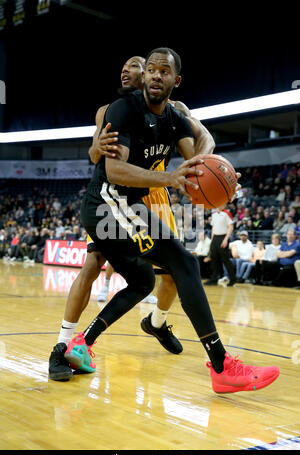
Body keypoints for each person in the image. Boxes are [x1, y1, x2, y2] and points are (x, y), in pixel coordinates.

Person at [62, 47, 279, 394]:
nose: (156, 76)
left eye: (164, 72)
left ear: (175, 81)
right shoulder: (123, 110)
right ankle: (222, 366)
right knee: (182, 262)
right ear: (144, 76)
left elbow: (197, 156)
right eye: (151, 70)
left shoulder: (175, 118)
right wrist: (171, 178)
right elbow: (114, 170)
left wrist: (219, 175)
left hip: (130, 205)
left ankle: (81, 344)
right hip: (106, 203)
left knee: (145, 280)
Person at [49, 54, 216, 380]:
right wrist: (100, 144)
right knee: (92, 264)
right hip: (116, 192)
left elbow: (202, 139)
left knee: (173, 271)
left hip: (157, 194)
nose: (129, 74)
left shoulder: (175, 110)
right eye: (125, 70)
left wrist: (203, 165)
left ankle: (155, 322)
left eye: (137, 69)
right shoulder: (111, 111)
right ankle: (63, 344)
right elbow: (94, 155)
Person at [204, 205, 236, 286]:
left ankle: (232, 279)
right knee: (213, 259)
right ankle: (214, 279)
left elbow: (231, 227)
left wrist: (226, 239)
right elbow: (213, 228)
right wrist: (212, 240)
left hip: (223, 237)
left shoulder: (227, 213)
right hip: (215, 238)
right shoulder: (214, 214)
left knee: (225, 260)